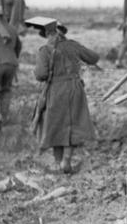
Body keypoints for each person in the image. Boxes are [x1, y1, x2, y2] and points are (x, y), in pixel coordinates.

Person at [30, 17, 100, 174]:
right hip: (75, 88)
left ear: (48, 34)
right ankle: (66, 160)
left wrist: (37, 72)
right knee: (72, 123)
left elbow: (41, 74)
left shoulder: (44, 50)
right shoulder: (73, 46)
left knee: (56, 125)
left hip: (56, 90)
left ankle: (58, 161)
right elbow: (94, 57)